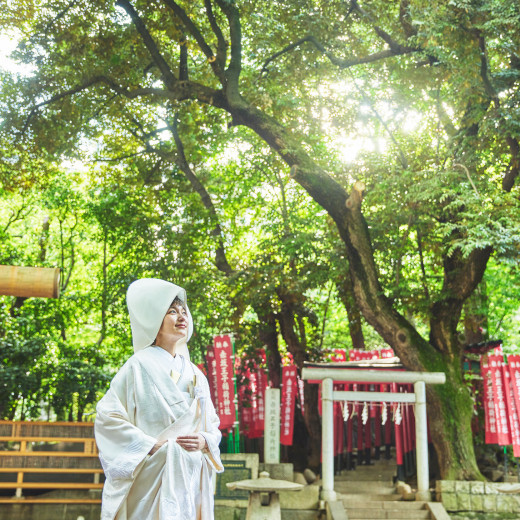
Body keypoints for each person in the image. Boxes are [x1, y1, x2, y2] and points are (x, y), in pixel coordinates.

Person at [95, 278, 223, 520]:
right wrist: (147, 446)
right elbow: (107, 417)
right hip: (151, 473)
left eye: (184, 311)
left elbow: (212, 425)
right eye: (172, 311)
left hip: (189, 474)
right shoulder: (137, 366)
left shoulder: (196, 373)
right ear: (155, 319)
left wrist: (204, 441)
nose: (182, 316)